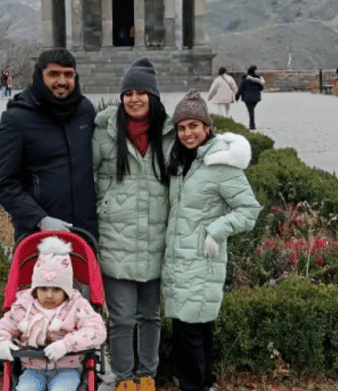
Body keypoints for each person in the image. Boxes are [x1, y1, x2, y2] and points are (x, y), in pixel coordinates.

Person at [162, 90, 261, 391]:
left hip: (202, 260)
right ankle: (206, 385)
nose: (187, 133)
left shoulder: (221, 164)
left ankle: (196, 386)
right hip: (180, 262)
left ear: (207, 127)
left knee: (189, 333)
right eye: (181, 127)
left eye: (194, 126)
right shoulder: (182, 163)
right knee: (198, 330)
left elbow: (249, 210)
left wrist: (216, 230)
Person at [92, 58, 174, 391]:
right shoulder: (104, 131)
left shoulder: (168, 134)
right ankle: (124, 378)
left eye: (142, 93)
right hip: (116, 237)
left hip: (155, 237)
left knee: (151, 316)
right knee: (123, 318)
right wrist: (104, 202)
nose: (135, 99)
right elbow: (86, 174)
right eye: (129, 93)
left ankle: (147, 375)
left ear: (153, 98)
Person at [0, 49, 98, 242]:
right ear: (39, 76)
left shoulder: (85, 111)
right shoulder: (17, 119)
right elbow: (2, 181)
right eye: (54, 74)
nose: (62, 81)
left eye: (68, 74)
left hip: (84, 233)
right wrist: (39, 219)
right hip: (39, 236)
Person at [0, 236, 107, 391]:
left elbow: (96, 330)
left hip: (67, 370)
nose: (49, 295)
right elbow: (3, 327)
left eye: (56, 289)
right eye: (43, 289)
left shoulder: (77, 305)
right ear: (35, 289)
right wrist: (1, 342)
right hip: (33, 369)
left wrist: (67, 344)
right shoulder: (25, 306)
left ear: (66, 290)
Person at [235, 66, 265, 130]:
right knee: (251, 110)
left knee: (250, 111)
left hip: (247, 98)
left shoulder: (244, 80)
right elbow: (261, 88)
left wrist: (237, 97)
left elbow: (240, 89)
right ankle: (252, 124)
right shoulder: (257, 80)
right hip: (256, 98)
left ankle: (252, 125)